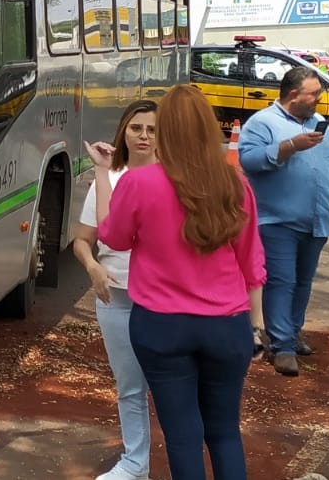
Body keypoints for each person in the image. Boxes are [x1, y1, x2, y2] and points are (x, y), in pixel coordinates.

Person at [93, 85, 266, 480]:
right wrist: (257, 326)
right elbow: (252, 262)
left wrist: (105, 176)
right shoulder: (234, 184)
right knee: (224, 432)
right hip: (226, 324)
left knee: (183, 435)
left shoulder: (140, 183)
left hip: (161, 324)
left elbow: (114, 238)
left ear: (165, 130)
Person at [237, 67, 329, 377]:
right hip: (277, 220)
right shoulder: (262, 123)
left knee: (303, 280)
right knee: (281, 281)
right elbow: (249, 161)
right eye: (313, 94)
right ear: (292, 95)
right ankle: (282, 345)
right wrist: (289, 147)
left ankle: (292, 332)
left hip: (316, 219)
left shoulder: (318, 124)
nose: (318, 99)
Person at [73, 100, 158, 480]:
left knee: (174, 386)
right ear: (124, 130)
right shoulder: (108, 178)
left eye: (152, 130)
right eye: (137, 128)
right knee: (130, 386)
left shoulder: (173, 178)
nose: (144, 136)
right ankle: (135, 462)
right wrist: (93, 268)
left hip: (163, 301)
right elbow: (83, 240)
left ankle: (188, 455)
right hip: (116, 299)